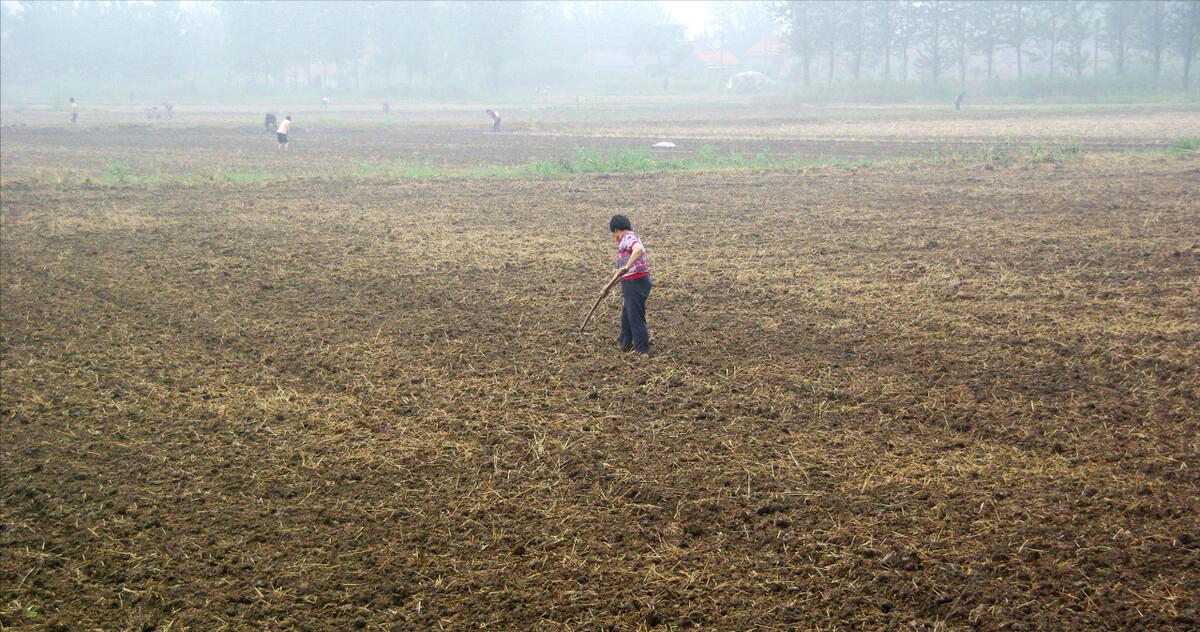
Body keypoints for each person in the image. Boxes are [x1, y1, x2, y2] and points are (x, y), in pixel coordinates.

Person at [608, 214, 652, 354]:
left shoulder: (628, 237)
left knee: (635, 316)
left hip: (636, 282)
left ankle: (642, 350)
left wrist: (627, 266)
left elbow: (639, 250)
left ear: (616, 230)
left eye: (614, 234)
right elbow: (621, 272)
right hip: (632, 281)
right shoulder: (626, 241)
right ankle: (625, 344)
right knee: (627, 314)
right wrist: (608, 287)